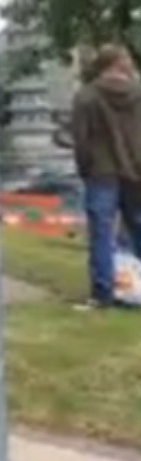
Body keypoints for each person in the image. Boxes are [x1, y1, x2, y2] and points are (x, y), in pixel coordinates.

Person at [70, 44, 141, 309]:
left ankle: (103, 293)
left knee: (101, 232)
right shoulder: (138, 94)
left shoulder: (86, 97)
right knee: (138, 226)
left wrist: (84, 168)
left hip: (101, 171)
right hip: (136, 170)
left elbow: (81, 139)